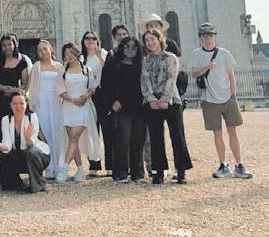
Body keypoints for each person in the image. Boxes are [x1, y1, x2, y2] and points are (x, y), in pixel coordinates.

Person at [190, 22, 253, 179]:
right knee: (217, 133)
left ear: (215, 37)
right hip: (209, 100)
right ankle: (223, 164)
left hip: (227, 98)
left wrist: (233, 95)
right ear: (201, 38)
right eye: (205, 36)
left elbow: (231, 75)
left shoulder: (225, 53)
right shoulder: (196, 54)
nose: (208, 39)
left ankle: (239, 164)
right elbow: (194, 73)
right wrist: (207, 66)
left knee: (233, 132)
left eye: (211, 35)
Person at [141, 29, 192, 185]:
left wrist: (164, 98)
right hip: (153, 103)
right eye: (147, 40)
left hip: (171, 101)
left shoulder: (171, 57)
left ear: (159, 39)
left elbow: (172, 78)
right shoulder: (146, 60)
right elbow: (145, 80)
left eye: (152, 39)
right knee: (156, 138)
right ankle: (159, 172)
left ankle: (181, 171)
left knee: (177, 135)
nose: (150, 42)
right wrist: (151, 99)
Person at [0, 92, 50, 193]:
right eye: (15, 104)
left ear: (26, 104)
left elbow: (32, 144)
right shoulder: (6, 120)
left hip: (39, 156)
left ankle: (38, 184)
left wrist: (27, 139)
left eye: (21, 103)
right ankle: (14, 183)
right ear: (10, 105)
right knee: (4, 155)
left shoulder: (32, 117)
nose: (18, 107)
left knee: (30, 151)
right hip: (20, 155)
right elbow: (7, 146)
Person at [101, 36, 147, 183]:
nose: (130, 50)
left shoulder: (141, 65)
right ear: (122, 48)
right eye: (127, 46)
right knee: (122, 140)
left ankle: (137, 173)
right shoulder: (113, 64)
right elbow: (105, 85)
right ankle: (121, 173)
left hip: (139, 107)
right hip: (121, 107)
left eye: (134, 47)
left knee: (138, 139)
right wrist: (111, 102)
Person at [55, 42, 99, 183]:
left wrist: (86, 96)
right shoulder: (63, 72)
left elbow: (92, 88)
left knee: (74, 135)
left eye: (71, 52)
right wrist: (73, 100)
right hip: (68, 107)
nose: (69, 56)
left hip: (83, 107)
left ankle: (64, 168)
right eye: (66, 54)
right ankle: (80, 170)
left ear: (76, 52)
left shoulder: (86, 70)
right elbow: (60, 91)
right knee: (72, 140)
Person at [0, 34, 28, 157]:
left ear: (15, 45)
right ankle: (0, 160)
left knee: (13, 128)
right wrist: (4, 88)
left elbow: (25, 83)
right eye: (4, 45)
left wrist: (15, 90)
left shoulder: (22, 63)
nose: (7, 47)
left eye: (10, 44)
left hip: (13, 102)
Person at [26, 40, 64, 179]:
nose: (42, 52)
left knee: (57, 134)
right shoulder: (36, 66)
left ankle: (58, 167)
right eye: (39, 50)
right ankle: (46, 167)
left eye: (45, 49)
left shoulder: (59, 66)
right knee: (44, 134)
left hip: (56, 103)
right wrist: (30, 104)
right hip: (41, 103)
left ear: (51, 49)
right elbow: (30, 87)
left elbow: (63, 86)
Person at [80, 29, 111, 175]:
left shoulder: (104, 54)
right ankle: (94, 165)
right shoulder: (81, 59)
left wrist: (99, 56)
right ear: (84, 41)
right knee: (91, 132)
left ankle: (110, 165)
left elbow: (109, 72)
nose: (90, 40)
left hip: (102, 95)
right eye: (87, 38)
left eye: (93, 38)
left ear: (98, 41)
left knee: (107, 130)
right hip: (88, 96)